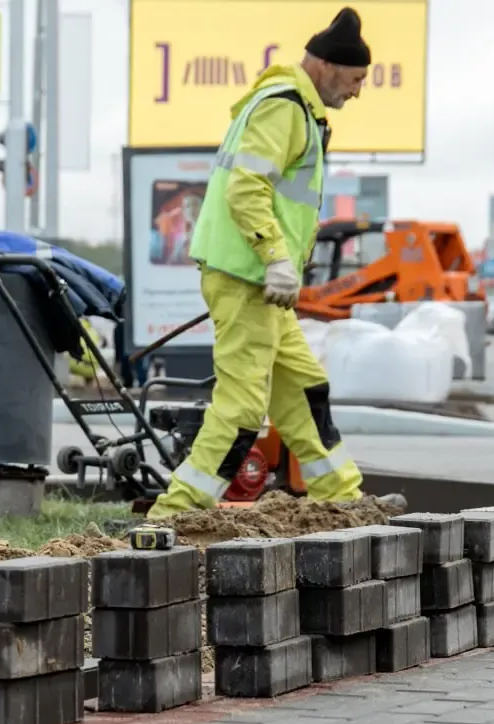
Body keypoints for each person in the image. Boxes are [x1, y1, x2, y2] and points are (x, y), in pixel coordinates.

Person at [146, 7, 372, 519]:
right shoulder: (284, 108)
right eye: (357, 78)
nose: (358, 91)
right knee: (243, 407)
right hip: (248, 276)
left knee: (303, 388)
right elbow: (247, 188)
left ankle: (341, 499)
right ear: (328, 66)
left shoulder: (297, 109)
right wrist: (275, 258)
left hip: (258, 282)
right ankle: (177, 514)